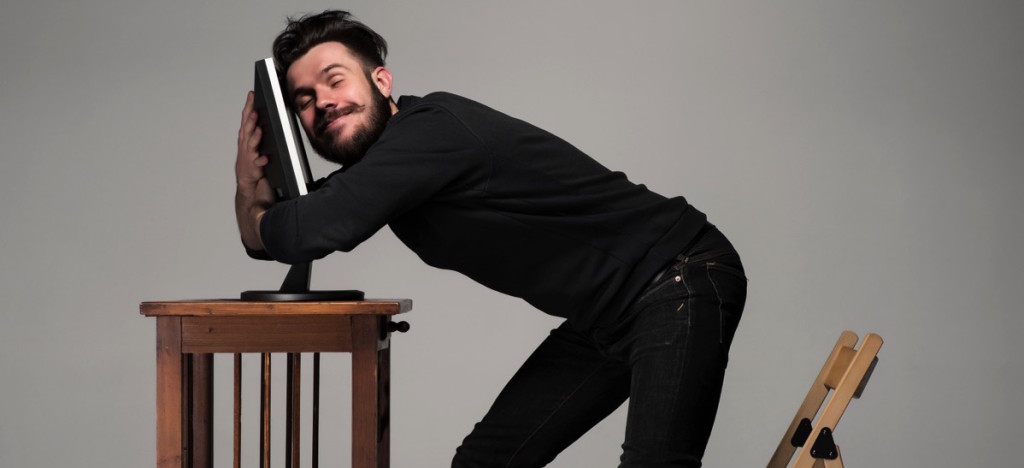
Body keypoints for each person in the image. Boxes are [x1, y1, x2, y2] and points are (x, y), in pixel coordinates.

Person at [235, 10, 747, 468]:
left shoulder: (428, 131)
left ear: (382, 80)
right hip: (607, 315)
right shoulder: (382, 173)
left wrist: (262, 211)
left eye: (334, 80)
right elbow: (272, 236)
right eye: (304, 100)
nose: (323, 102)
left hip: (676, 276)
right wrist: (248, 187)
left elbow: (307, 229)